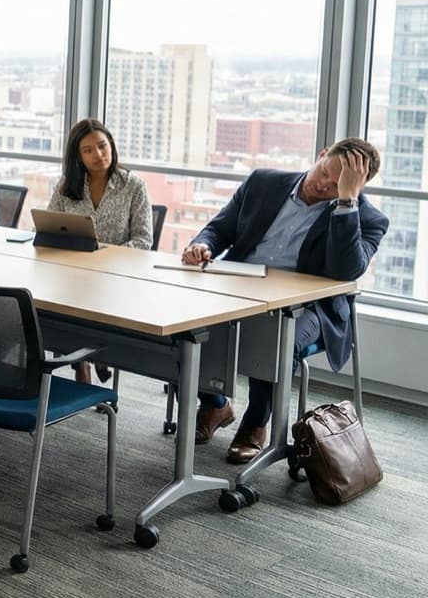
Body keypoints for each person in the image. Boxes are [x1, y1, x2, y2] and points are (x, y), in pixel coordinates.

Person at [186, 138, 388, 463]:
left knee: (276, 340)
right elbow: (219, 229)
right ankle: (216, 404)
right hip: (241, 288)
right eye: (325, 171)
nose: (323, 184)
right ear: (321, 155)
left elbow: (344, 271)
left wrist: (347, 203)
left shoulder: (368, 219)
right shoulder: (263, 182)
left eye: (338, 184)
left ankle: (256, 423)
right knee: (183, 326)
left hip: (308, 307)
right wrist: (202, 245)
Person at [46, 118, 153, 383]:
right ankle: (85, 359)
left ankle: (88, 357)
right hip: (74, 272)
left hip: (117, 277)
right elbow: (48, 227)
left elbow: (143, 241)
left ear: (112, 147)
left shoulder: (133, 185)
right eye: (88, 150)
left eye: (103, 146)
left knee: (78, 300)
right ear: (78, 156)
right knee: (54, 300)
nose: (99, 155)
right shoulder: (66, 185)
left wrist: (104, 256)